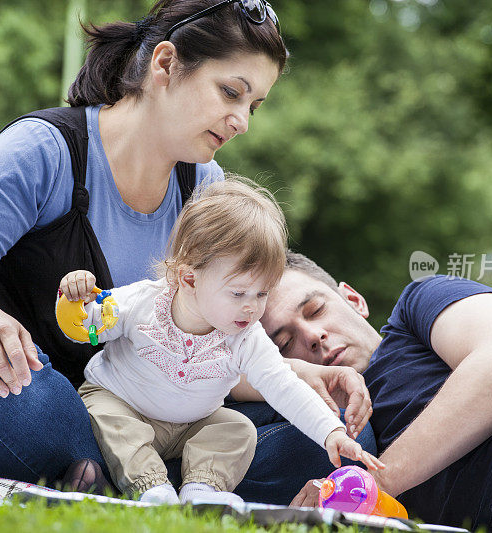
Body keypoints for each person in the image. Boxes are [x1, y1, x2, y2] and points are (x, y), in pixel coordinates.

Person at [0, 0, 372, 497]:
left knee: (324, 426)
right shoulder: (43, 151)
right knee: (18, 387)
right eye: (231, 92)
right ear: (165, 64)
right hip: (20, 402)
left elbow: (204, 353)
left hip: (133, 422)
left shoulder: (205, 189)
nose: (242, 120)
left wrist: (298, 376)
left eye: (254, 105)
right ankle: (147, 483)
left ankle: (143, 487)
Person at [57, 178, 382, 505]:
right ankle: (151, 488)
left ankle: (202, 491)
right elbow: (83, 327)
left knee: (236, 428)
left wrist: (332, 432)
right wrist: (76, 297)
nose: (252, 307)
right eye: (238, 293)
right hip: (123, 403)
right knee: (113, 420)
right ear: (189, 278)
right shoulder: (143, 303)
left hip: (189, 425)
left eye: (262, 293)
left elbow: (285, 386)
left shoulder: (245, 336)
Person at [257, 251, 492, 531]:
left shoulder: (417, 303)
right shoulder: (336, 443)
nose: (312, 337)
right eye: (285, 343)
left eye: (315, 310)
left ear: (354, 300)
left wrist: (376, 484)